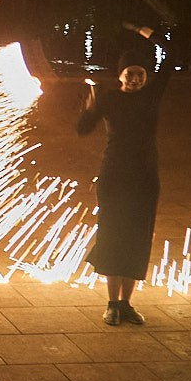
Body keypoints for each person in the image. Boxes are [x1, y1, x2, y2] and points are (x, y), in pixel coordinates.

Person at [78, 23, 173, 326]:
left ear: (146, 78)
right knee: (114, 235)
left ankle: (127, 304)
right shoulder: (108, 97)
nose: (134, 79)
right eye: (129, 74)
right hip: (115, 175)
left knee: (137, 238)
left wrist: (146, 32)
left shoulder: (152, 95)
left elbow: (171, 54)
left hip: (145, 177)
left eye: (140, 74)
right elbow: (82, 129)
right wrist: (89, 108)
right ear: (120, 76)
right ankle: (111, 303)